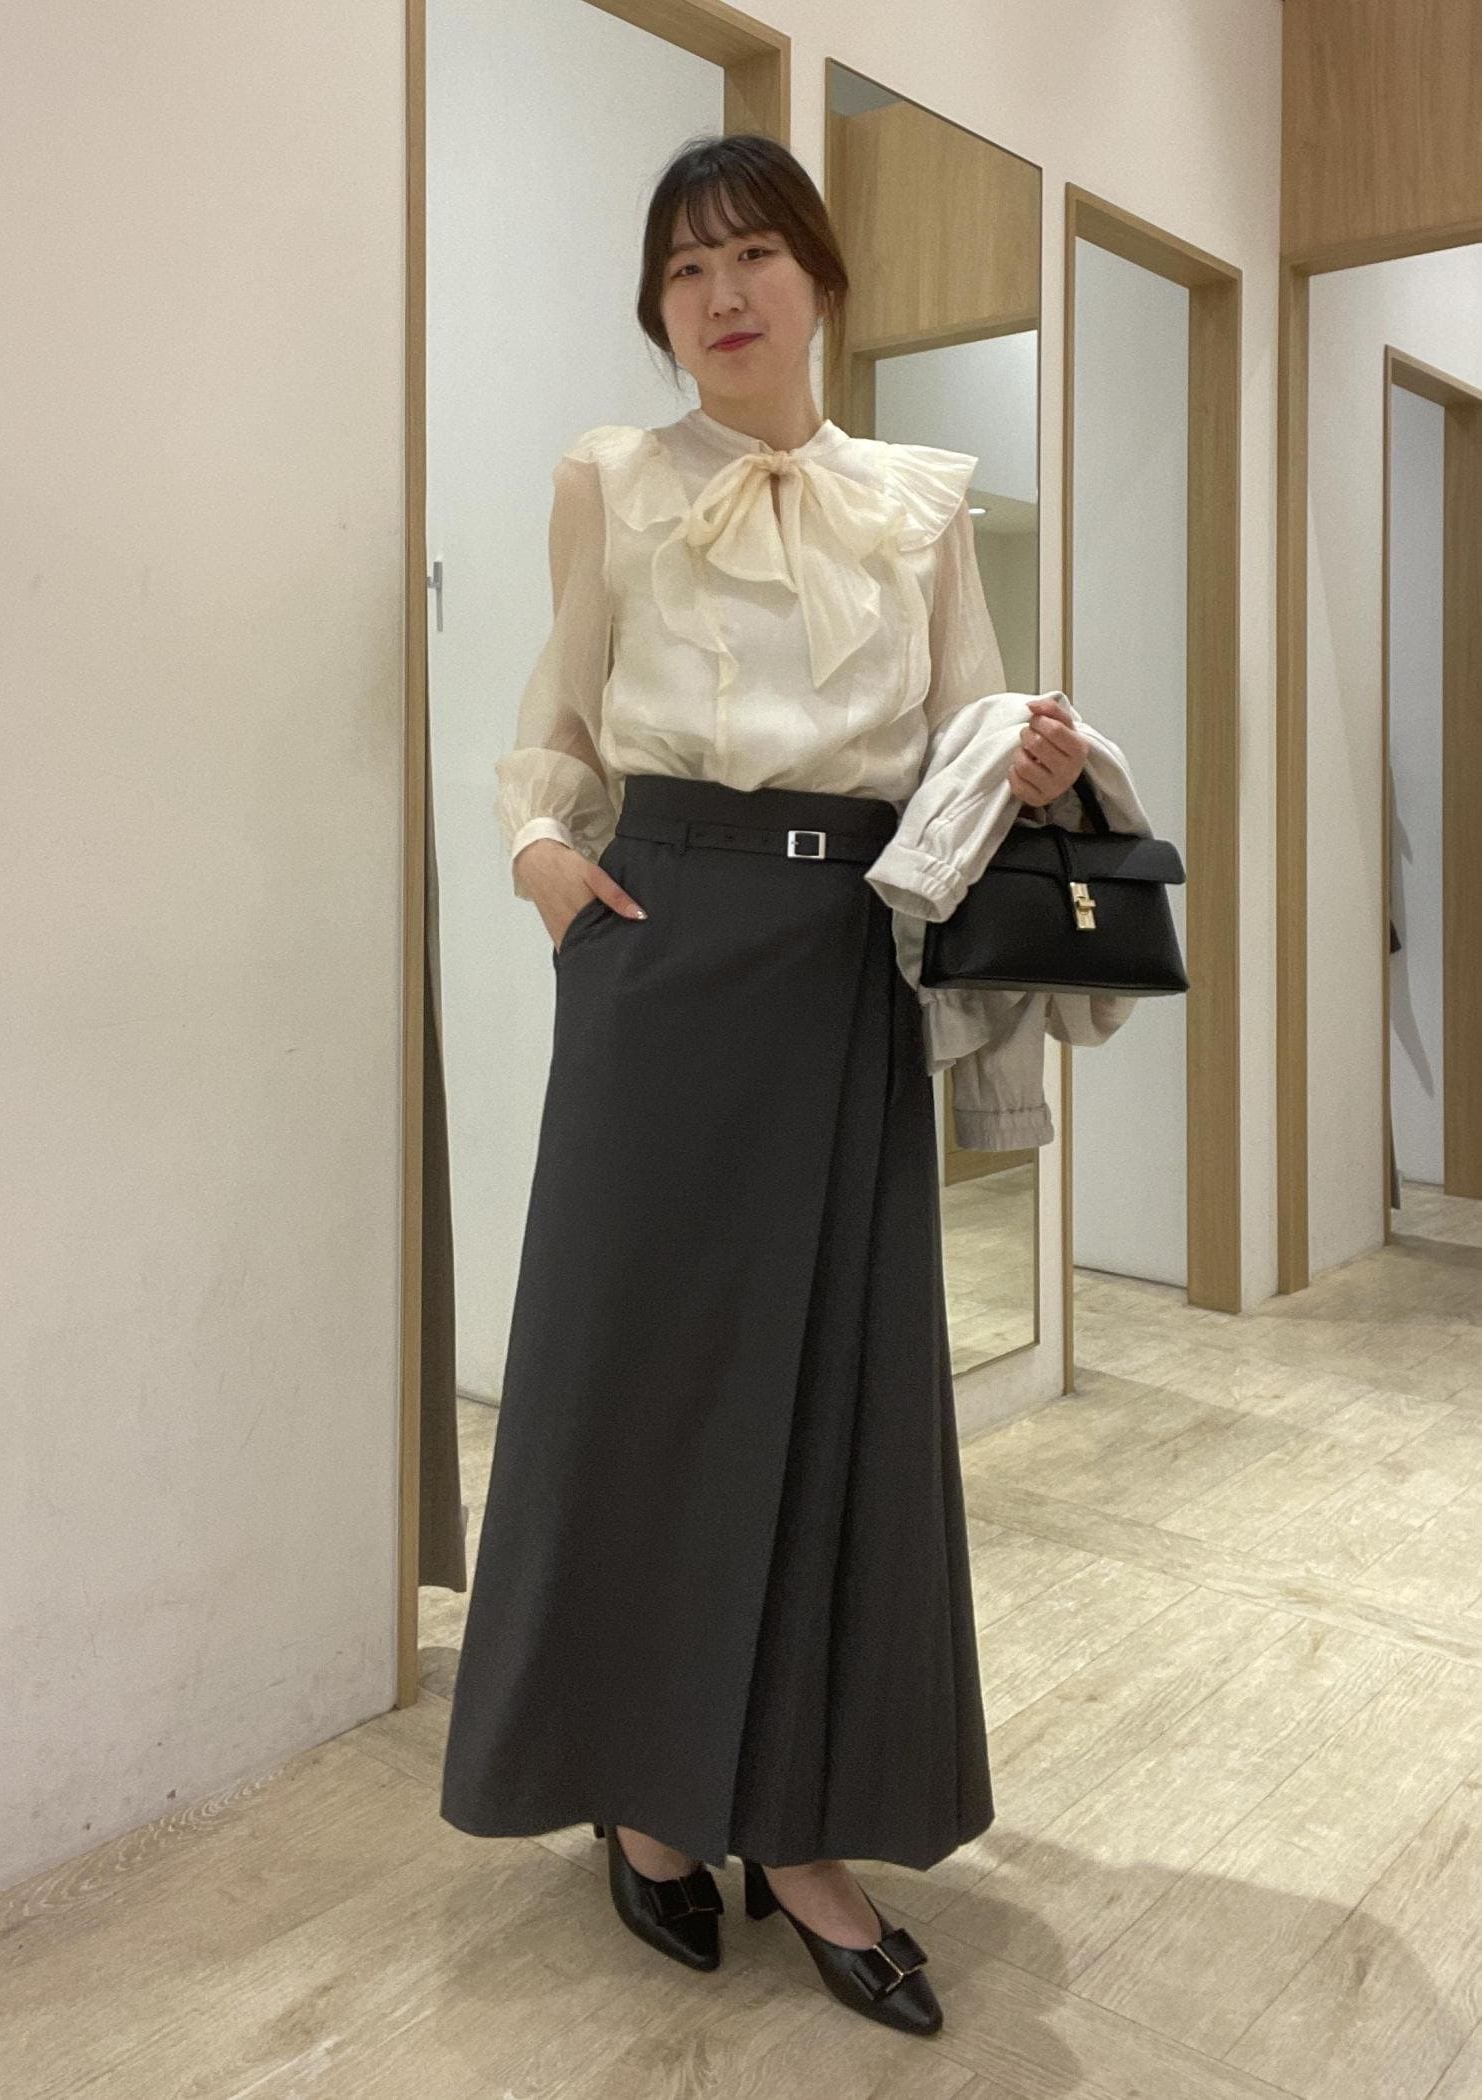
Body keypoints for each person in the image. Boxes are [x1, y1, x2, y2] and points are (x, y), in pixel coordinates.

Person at [439, 131, 1090, 2038]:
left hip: (840, 965)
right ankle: (645, 1800)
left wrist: (1030, 769)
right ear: (659, 308)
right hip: (660, 947)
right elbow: (559, 718)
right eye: (684, 269)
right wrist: (546, 864)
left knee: (837, 1393)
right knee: (636, 1381)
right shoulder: (613, 481)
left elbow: (962, 731)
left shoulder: (921, 502)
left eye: (753, 257)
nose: (721, 296)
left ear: (819, 279)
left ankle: (802, 1830)